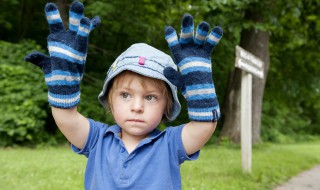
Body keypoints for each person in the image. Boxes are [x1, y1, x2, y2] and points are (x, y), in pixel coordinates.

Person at [25, 1, 223, 189]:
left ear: (167, 106)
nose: (137, 107)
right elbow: (66, 118)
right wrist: (63, 86)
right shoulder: (97, 139)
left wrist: (200, 88)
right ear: (109, 100)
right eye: (125, 95)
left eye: (150, 97)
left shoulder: (170, 144)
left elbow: (204, 126)